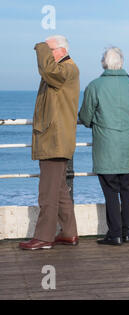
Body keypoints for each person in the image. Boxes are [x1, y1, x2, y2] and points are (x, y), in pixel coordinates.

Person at [79, 47, 129, 246]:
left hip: (105, 149)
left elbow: (84, 118)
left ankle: (115, 234)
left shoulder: (95, 86)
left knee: (111, 191)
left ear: (104, 63)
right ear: (122, 62)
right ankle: (127, 233)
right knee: (128, 190)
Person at [19, 35, 80, 250]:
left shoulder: (66, 69)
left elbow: (49, 72)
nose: (46, 52)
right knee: (60, 189)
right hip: (55, 139)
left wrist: (40, 47)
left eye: (50, 49)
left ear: (61, 51)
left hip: (55, 140)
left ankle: (44, 237)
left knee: (47, 192)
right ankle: (69, 233)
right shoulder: (64, 70)